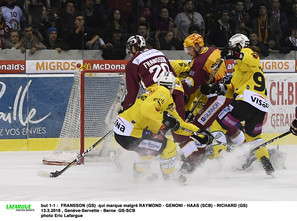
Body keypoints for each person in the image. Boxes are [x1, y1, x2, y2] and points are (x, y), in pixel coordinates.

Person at [114, 71, 211, 182]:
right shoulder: (164, 92)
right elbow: (146, 110)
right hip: (130, 135)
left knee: (152, 143)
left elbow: (179, 125)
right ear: (173, 86)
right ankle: (170, 178)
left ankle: (140, 171)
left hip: (122, 132)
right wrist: (164, 119)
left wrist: (197, 132)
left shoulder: (153, 91)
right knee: (169, 147)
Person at [205, 33, 274, 175]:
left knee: (217, 126)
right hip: (259, 108)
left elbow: (253, 59)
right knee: (253, 137)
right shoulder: (241, 67)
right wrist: (216, 88)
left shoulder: (248, 53)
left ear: (239, 45)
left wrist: (238, 53)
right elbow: (232, 90)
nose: (230, 52)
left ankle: (220, 159)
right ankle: (266, 163)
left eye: (231, 49)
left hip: (246, 102)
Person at [179, 33, 245, 172]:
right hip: (226, 93)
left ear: (197, 46)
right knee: (226, 125)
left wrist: (175, 85)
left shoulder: (198, 62)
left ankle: (195, 160)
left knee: (197, 126)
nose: (188, 52)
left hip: (218, 97)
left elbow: (190, 88)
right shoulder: (213, 50)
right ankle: (247, 149)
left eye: (189, 49)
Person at [122, 35, 186, 144]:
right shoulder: (158, 52)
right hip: (177, 90)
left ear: (133, 48)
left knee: (153, 131)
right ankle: (192, 158)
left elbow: (132, 92)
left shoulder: (133, 62)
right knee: (180, 128)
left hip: (160, 96)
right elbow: (174, 75)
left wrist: (125, 110)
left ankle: (146, 158)